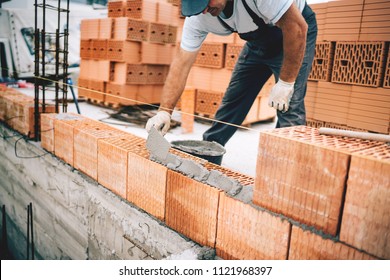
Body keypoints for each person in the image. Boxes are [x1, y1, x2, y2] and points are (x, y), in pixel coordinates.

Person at [146, 0, 317, 162]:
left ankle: (285, 176)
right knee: (233, 100)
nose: (204, 10)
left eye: (206, 2)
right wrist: (164, 111)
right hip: (257, 44)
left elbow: (297, 28)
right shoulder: (198, 17)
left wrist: (286, 83)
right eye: (198, 6)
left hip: (295, 31)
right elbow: (181, 64)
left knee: (289, 108)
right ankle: (207, 158)